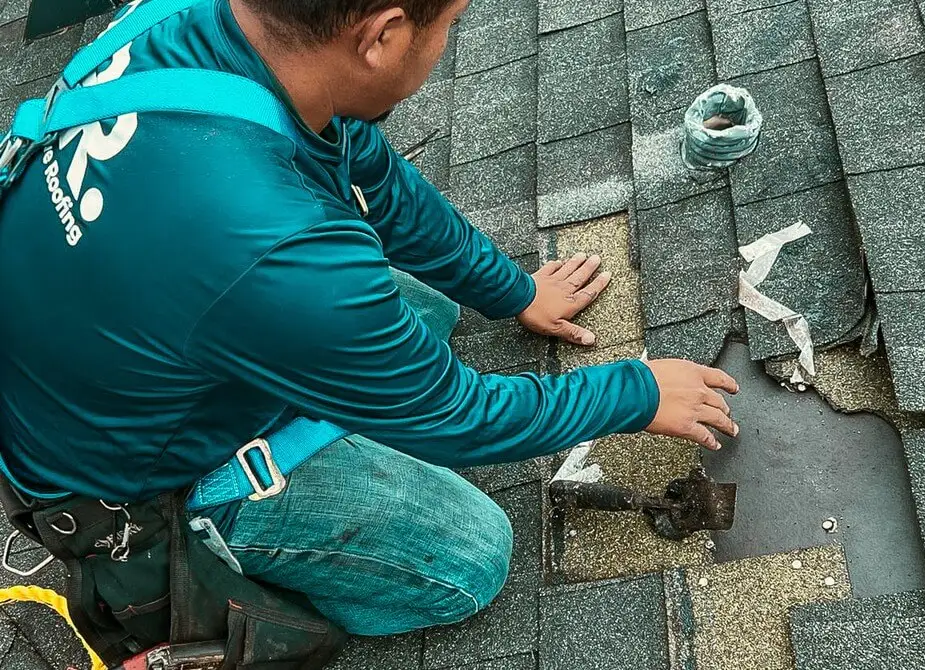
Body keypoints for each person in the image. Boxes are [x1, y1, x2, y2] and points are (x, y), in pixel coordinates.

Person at [0, 0, 739, 637]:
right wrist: (634, 392)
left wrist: (512, 292)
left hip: (117, 332)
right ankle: (217, 557)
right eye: (450, 24)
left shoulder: (212, 26)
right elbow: (455, 419)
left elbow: (375, 182)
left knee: (424, 309)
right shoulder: (281, 254)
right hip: (124, 483)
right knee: (469, 560)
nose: (448, 41)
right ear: (381, 35)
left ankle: (330, 380)